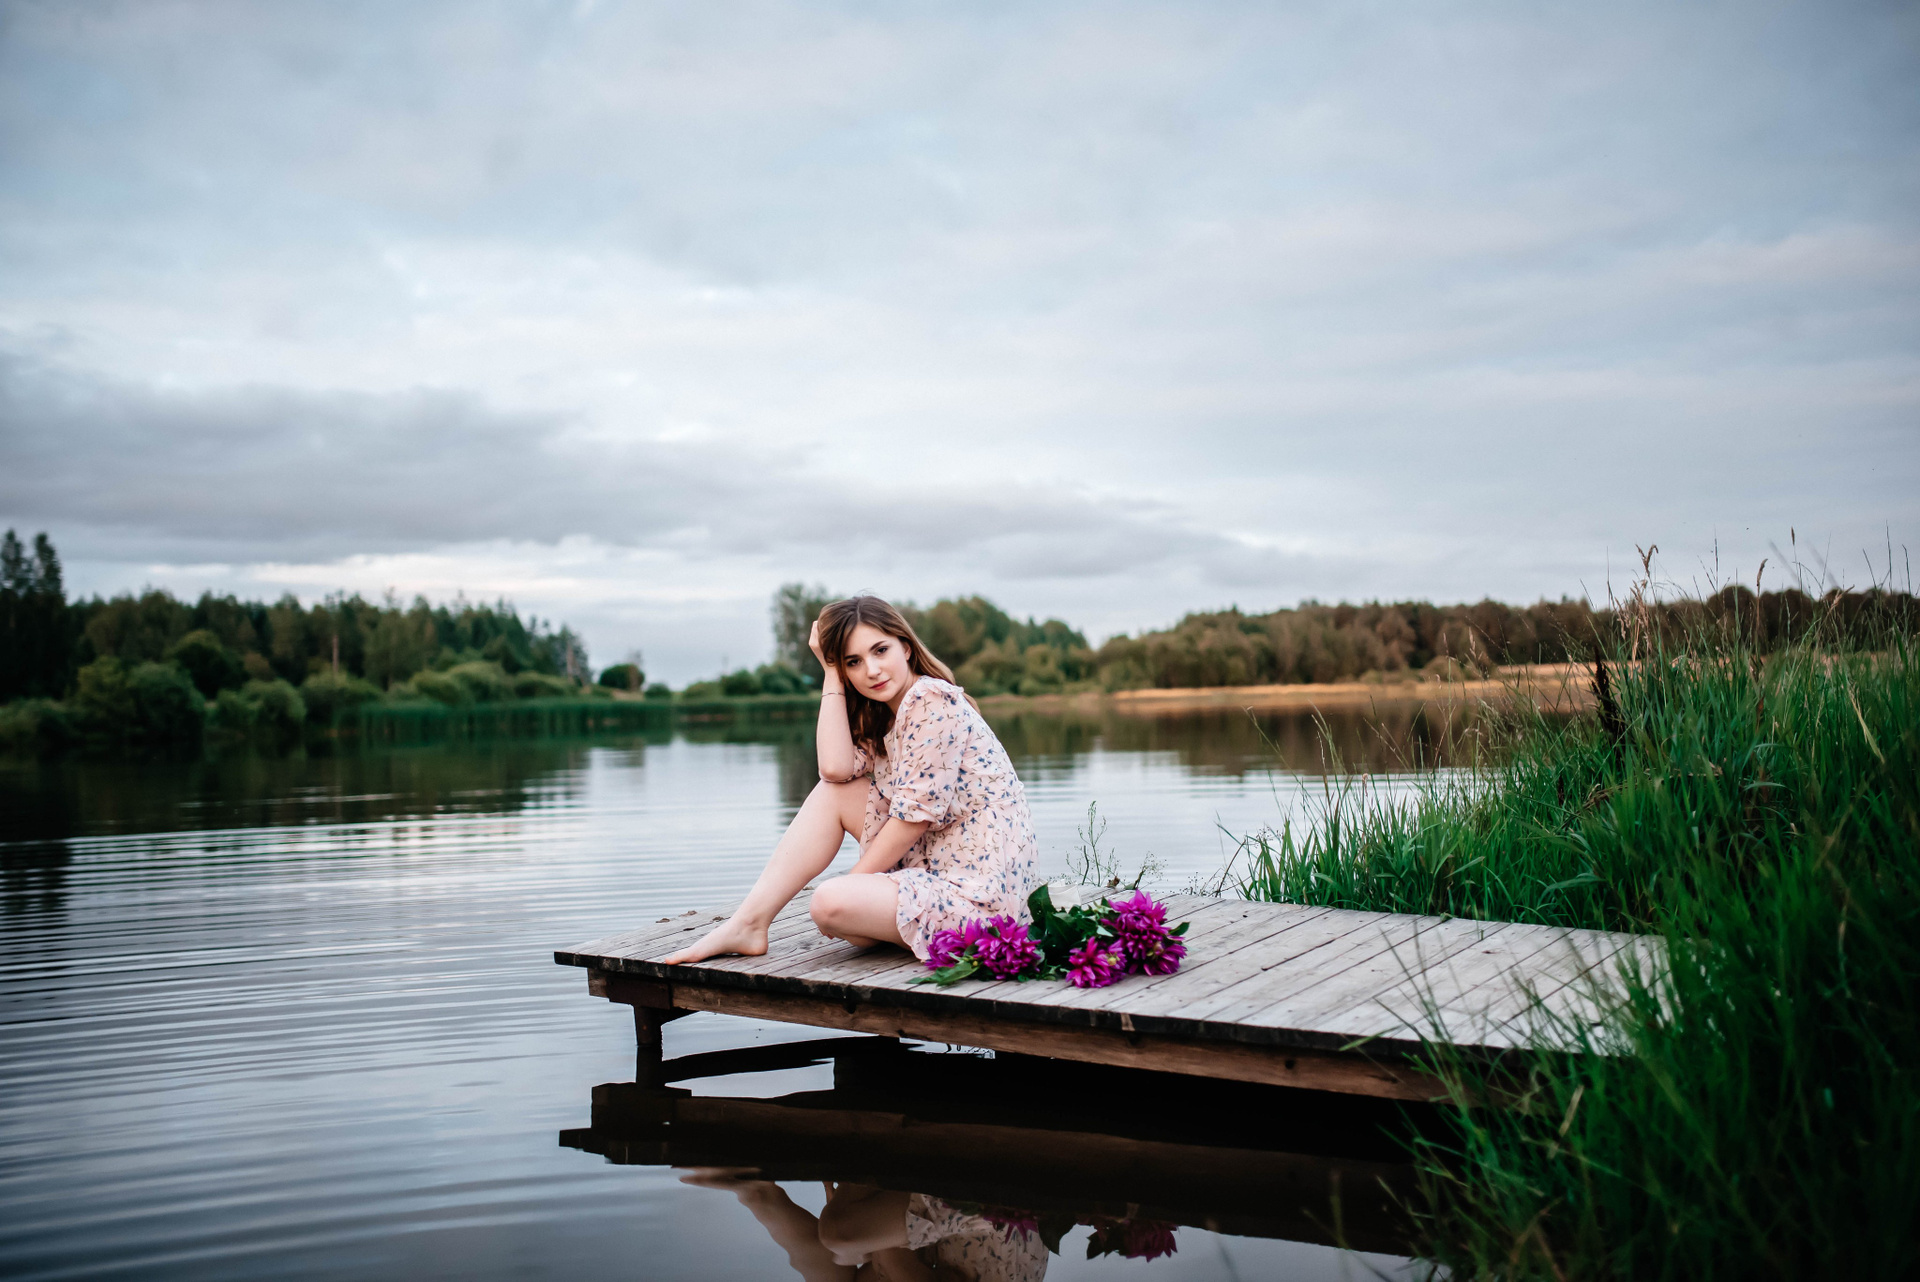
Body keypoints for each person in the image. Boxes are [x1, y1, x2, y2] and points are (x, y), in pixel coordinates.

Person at [665, 595, 1039, 964]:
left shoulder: (931, 701)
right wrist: (830, 672)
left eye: (880, 651)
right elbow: (834, 770)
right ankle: (748, 923)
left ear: (906, 648)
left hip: (981, 900)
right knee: (833, 798)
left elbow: (914, 819)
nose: (871, 670)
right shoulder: (886, 715)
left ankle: (884, 917)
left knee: (831, 902)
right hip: (933, 871)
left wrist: (853, 882)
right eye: (853, 662)